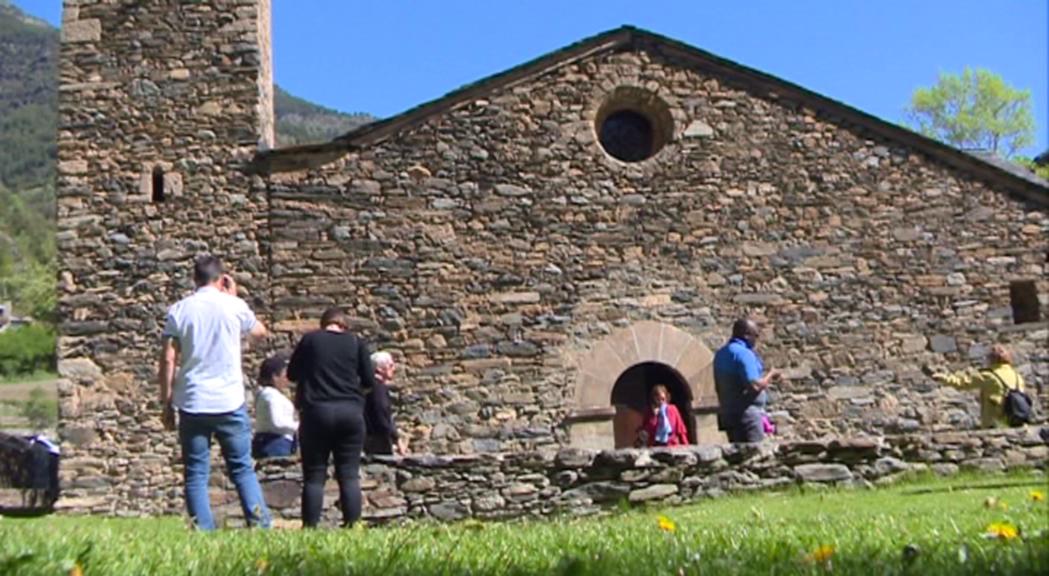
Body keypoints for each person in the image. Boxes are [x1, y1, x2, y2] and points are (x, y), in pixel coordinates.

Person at [158, 255, 271, 530]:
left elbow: (168, 359)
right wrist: (233, 297)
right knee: (242, 468)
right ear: (221, 279)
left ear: (194, 279)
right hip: (229, 401)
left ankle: (203, 531)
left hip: (194, 401)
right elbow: (260, 332)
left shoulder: (180, 310)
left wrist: (166, 401)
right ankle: (260, 525)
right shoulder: (233, 306)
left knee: (196, 473)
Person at [287, 307, 376, 528]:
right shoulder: (356, 343)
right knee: (348, 474)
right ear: (344, 325)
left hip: (316, 412)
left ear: (323, 324)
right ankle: (353, 526)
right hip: (350, 413)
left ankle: (310, 528)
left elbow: (291, 374)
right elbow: (368, 382)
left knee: (315, 475)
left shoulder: (310, 341)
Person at [713, 318, 781, 443]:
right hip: (747, 416)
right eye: (755, 335)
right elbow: (754, 386)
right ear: (746, 335)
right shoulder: (744, 354)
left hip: (729, 415)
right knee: (755, 456)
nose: (757, 339)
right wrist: (771, 375)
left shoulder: (720, 354)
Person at [934, 345, 1028, 429]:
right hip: (1015, 419)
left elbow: (963, 383)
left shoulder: (989, 375)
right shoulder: (1017, 376)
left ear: (991, 359)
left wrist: (943, 378)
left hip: (994, 421)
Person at [252, 354, 298, 458]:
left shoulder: (269, 394)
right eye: (284, 375)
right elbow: (277, 422)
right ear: (275, 377)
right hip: (274, 443)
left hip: (277, 442)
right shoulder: (270, 395)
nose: (287, 379)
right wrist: (298, 426)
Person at [364, 351, 408, 456]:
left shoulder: (368, 387)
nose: (394, 369)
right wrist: (395, 438)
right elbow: (382, 413)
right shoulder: (378, 389)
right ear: (379, 369)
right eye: (390, 365)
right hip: (379, 440)